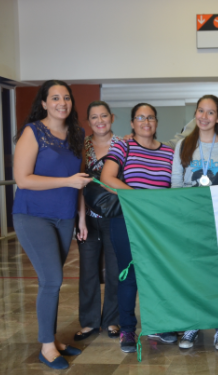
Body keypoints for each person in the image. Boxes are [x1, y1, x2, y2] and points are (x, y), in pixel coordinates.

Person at [13, 80, 91, 369]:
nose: (62, 102)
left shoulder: (77, 133)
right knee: (52, 280)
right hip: (33, 215)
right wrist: (66, 182)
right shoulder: (33, 133)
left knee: (53, 282)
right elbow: (23, 179)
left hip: (65, 216)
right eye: (55, 98)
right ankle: (47, 347)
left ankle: (53, 339)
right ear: (44, 103)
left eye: (66, 97)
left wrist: (81, 217)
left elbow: (79, 180)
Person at [101, 103, 176, 353]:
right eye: (140, 117)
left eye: (151, 117)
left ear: (156, 122)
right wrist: (140, 200)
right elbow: (107, 178)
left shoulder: (169, 152)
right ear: (132, 123)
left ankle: (159, 324)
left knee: (158, 275)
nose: (146, 122)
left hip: (158, 223)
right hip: (128, 220)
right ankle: (127, 329)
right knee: (129, 276)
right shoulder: (124, 145)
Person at [172, 95, 218, 350]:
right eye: (201, 111)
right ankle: (192, 324)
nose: (204, 117)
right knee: (192, 272)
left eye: (211, 113)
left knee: (217, 273)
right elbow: (176, 184)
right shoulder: (184, 145)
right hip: (190, 218)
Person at [75, 101, 121, 342]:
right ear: (88, 121)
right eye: (94, 117)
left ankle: (112, 319)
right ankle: (90, 322)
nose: (100, 121)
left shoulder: (124, 145)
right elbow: (80, 185)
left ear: (112, 117)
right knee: (88, 270)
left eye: (104, 116)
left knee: (115, 270)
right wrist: (81, 219)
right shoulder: (82, 147)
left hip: (116, 217)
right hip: (88, 219)